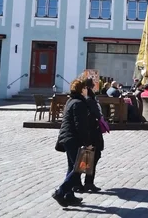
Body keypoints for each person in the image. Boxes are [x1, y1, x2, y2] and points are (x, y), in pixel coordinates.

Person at [53, 78, 104, 207]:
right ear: (82, 89)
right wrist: (87, 143)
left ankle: (69, 196)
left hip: (67, 138)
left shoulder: (71, 101)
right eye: (86, 88)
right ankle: (61, 192)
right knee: (80, 168)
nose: (87, 90)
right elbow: (80, 126)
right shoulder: (79, 103)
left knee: (72, 167)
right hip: (72, 139)